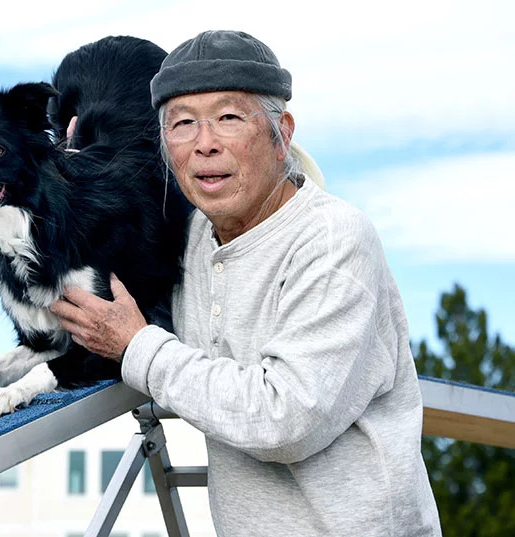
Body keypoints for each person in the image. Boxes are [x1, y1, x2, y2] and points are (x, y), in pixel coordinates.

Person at [50, 30, 442, 536]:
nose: (205, 143)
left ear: (283, 133)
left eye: (229, 118)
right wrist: (69, 172)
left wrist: (136, 347)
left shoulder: (332, 240)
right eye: (183, 124)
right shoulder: (188, 239)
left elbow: (285, 420)